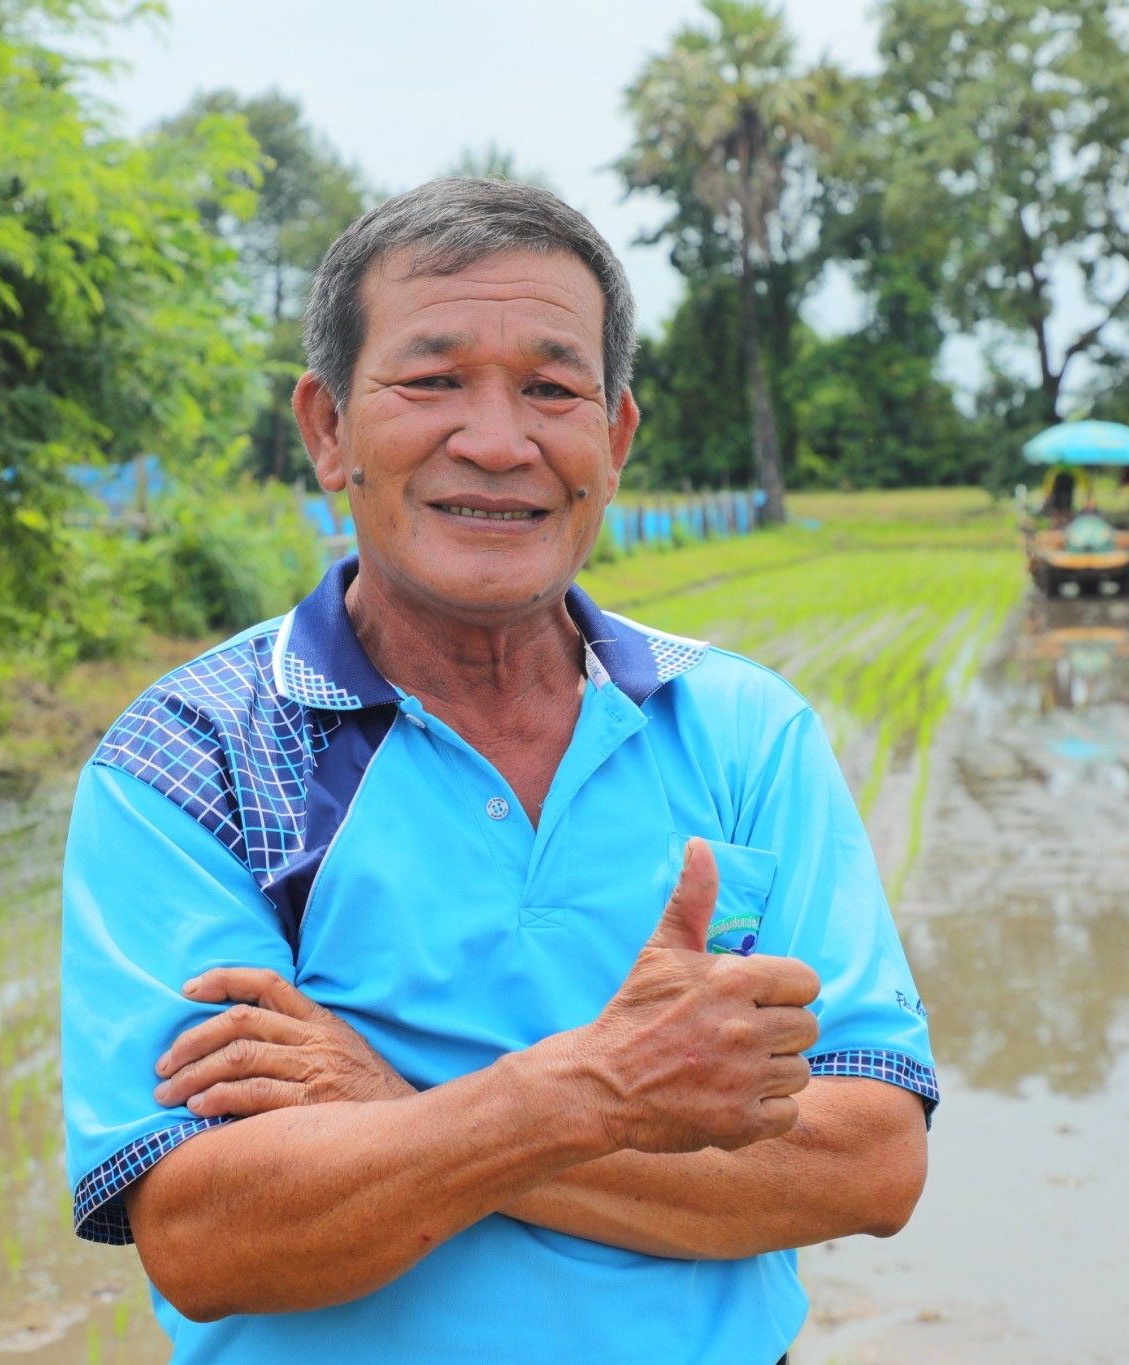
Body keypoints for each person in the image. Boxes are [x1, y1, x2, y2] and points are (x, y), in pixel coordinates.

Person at [59, 178, 936, 1364]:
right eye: (430, 380)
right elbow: (213, 1236)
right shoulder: (195, 756)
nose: (496, 440)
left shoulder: (739, 729)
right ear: (327, 430)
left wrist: (398, 1112)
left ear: (612, 441)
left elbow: (868, 1159)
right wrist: (593, 1093)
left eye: (551, 388)